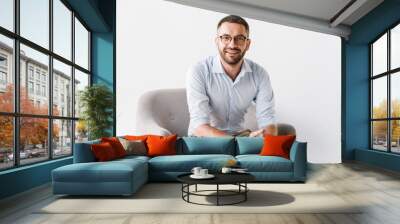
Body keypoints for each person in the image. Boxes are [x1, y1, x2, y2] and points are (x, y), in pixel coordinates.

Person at [186, 15, 277, 137]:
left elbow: (267, 119)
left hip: (240, 137)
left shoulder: (260, 74)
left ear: (248, 44)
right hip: (205, 140)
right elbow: (199, 125)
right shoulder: (199, 71)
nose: (232, 45)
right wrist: (235, 142)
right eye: (226, 38)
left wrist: (267, 141)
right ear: (217, 41)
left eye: (239, 38)